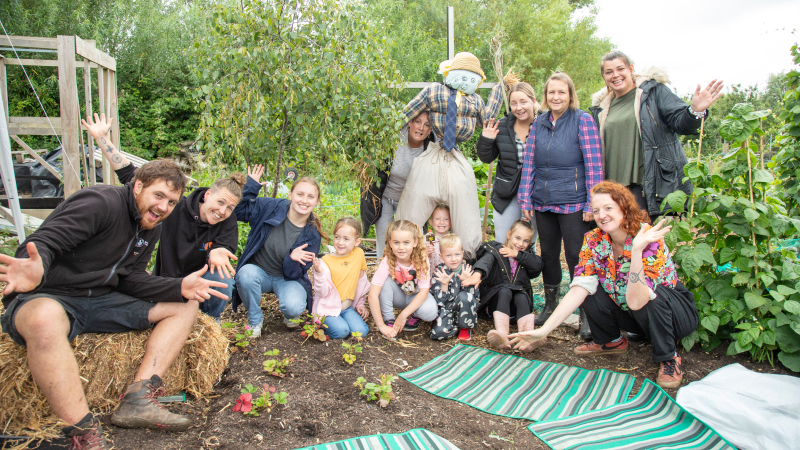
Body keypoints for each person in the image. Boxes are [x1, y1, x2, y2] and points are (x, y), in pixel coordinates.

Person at [0, 158, 229, 449]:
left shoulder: (151, 225)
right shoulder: (100, 202)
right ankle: (83, 431)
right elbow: (45, 242)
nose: (163, 207)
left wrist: (178, 286)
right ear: (138, 186)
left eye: (171, 202)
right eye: (158, 196)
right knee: (43, 319)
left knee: (186, 304)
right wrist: (37, 267)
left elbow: (129, 278)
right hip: (51, 295)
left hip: (98, 300)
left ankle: (138, 398)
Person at [509, 181, 699, 389]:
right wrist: (544, 330)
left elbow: (639, 301)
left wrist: (636, 251)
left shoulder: (648, 238)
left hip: (673, 316)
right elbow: (579, 289)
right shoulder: (593, 240)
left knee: (652, 295)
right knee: (585, 286)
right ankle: (610, 340)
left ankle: (669, 357)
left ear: (624, 208)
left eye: (609, 208)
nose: (601, 215)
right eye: (596, 210)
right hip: (636, 314)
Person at [88, 113, 243, 321]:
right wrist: (101, 139)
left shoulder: (227, 221)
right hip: (168, 279)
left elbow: (224, 248)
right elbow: (132, 175)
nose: (223, 211)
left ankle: (208, 323)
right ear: (207, 195)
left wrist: (218, 252)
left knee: (223, 277)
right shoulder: (174, 205)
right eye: (220, 202)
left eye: (230, 207)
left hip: (200, 281)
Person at [397, 52, 518, 258]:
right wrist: (379, 134)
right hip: (433, 157)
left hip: (457, 159)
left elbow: (488, 118)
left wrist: (499, 89)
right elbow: (407, 113)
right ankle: (404, 257)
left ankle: (467, 260)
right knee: (411, 210)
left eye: (471, 78)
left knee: (467, 216)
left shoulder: (475, 101)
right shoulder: (434, 91)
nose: (464, 81)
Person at [517, 72, 603, 340]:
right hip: (543, 202)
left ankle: (588, 315)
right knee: (548, 255)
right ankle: (552, 307)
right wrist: (525, 199)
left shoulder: (583, 120)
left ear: (570, 95)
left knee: (578, 257)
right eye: (551, 92)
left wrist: (592, 201)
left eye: (561, 92)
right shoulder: (539, 123)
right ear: (545, 96)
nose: (556, 97)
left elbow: (594, 163)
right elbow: (529, 163)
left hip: (575, 203)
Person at [589, 50, 723, 220]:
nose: (615, 75)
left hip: (644, 186)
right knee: (618, 242)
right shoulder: (602, 108)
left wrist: (694, 111)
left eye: (620, 69)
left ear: (631, 68)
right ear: (603, 75)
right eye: (609, 72)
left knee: (642, 240)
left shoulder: (652, 93)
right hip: (613, 188)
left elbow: (680, 123)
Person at [233, 166, 326, 338]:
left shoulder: (312, 234)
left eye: (310, 196)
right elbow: (237, 211)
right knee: (245, 275)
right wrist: (251, 187)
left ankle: (289, 314)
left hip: (286, 279)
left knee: (293, 307)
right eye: (300, 194)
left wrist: (292, 259)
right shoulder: (269, 207)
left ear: (316, 201)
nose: (304, 200)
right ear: (290, 195)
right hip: (259, 272)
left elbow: (295, 273)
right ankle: (254, 319)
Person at [461, 220, 543, 351]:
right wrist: (477, 274)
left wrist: (517, 255)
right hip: (495, 305)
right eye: (518, 238)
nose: (521, 244)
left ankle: (528, 335)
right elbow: (486, 262)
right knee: (505, 290)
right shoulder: (496, 250)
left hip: (515, 310)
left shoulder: (526, 257)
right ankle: (502, 334)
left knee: (521, 295)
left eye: (526, 241)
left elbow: (538, 266)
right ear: (509, 235)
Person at [477, 82, 542, 241]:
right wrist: (486, 139)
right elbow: (486, 157)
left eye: (523, 102)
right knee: (503, 240)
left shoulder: (544, 124)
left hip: (536, 194)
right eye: (514, 103)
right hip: (507, 193)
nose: (519, 107)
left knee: (528, 242)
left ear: (533, 101)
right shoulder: (503, 126)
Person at [364, 111, 435, 257]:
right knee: (386, 243)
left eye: (426, 124)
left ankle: (411, 276)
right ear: (409, 122)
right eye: (417, 121)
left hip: (412, 201)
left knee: (412, 241)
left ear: (431, 129)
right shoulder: (394, 136)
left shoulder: (433, 145)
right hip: (385, 199)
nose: (421, 128)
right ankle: (385, 277)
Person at [367, 220, 437, 340]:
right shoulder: (388, 261)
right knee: (384, 283)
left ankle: (414, 314)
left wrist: (403, 315)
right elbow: (373, 295)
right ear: (390, 243)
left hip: (415, 296)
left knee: (430, 313)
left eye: (406, 242)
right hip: (398, 296)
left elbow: (424, 292)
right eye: (396, 242)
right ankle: (389, 321)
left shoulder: (421, 260)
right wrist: (381, 326)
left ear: (415, 242)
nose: (401, 247)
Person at [311, 217, 370, 339]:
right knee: (341, 332)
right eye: (337, 237)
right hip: (328, 310)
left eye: (346, 239)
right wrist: (319, 273)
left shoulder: (358, 254)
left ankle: (341, 322)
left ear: (357, 242)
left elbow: (361, 281)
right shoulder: (326, 262)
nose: (340, 242)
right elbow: (322, 292)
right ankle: (322, 325)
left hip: (346, 307)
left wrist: (360, 303)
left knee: (361, 332)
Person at [429, 234, 478, 341]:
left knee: (464, 296)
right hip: (447, 309)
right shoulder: (439, 272)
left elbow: (474, 297)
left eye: (457, 254)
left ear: (462, 254)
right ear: (441, 257)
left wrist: (466, 281)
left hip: (464, 309)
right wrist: (444, 284)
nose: (453, 259)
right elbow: (439, 302)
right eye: (448, 255)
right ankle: (455, 327)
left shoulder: (467, 270)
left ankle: (465, 328)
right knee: (437, 334)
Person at [425, 204, 451, 269]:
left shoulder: (453, 240)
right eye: (437, 219)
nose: (441, 222)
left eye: (446, 219)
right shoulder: (428, 239)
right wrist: (425, 252)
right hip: (430, 276)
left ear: (451, 222)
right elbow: (417, 258)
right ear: (431, 222)